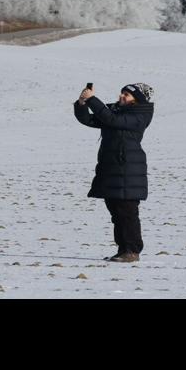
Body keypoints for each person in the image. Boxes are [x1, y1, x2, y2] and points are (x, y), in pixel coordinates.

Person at [74, 82, 155, 262]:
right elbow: (89, 119)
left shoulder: (140, 115)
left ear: (137, 99)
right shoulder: (117, 111)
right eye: (122, 93)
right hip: (112, 168)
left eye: (127, 95)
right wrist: (82, 103)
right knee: (116, 212)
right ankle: (123, 249)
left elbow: (111, 119)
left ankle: (132, 251)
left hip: (128, 170)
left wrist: (92, 100)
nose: (121, 97)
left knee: (127, 212)